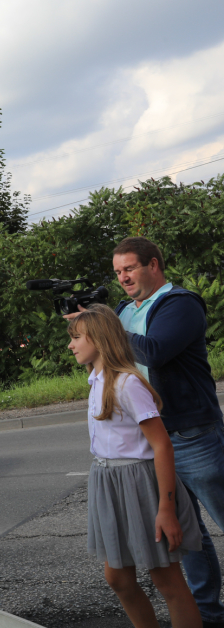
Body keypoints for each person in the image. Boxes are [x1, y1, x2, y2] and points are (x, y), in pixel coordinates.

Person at [88, 236, 224, 628]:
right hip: (152, 441)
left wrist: (108, 328)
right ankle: (209, 614)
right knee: (188, 536)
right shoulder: (122, 310)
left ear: (153, 265)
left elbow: (156, 350)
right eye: (117, 272)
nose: (123, 277)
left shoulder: (180, 303)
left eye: (129, 268)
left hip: (191, 434)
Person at [67, 304, 201, 628]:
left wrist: (166, 509)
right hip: (108, 481)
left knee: (166, 579)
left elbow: (162, 445)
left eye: (77, 337)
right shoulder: (95, 379)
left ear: (98, 339)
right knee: (118, 577)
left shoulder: (127, 384)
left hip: (139, 484)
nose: (71, 345)